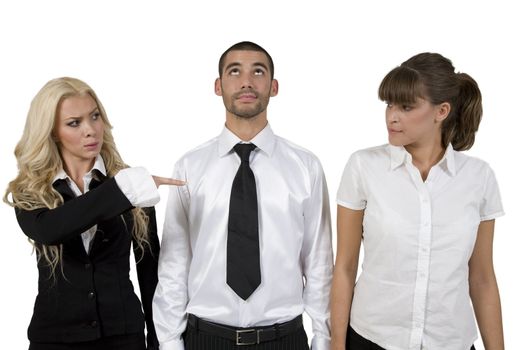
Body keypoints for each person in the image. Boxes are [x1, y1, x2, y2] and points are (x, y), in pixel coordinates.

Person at [152, 41, 333, 350]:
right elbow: (174, 263)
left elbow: (318, 261)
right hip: (205, 338)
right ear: (218, 85)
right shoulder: (189, 167)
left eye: (258, 72)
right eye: (234, 71)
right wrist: (169, 342)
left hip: (283, 339)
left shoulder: (306, 167)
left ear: (274, 87)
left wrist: (323, 338)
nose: (246, 82)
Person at [330, 52, 505, 350]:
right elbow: (345, 266)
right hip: (373, 339)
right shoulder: (363, 167)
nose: (391, 116)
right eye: (389, 104)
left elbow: (482, 278)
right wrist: (336, 344)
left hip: (451, 341)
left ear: (442, 111)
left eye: (406, 106)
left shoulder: (479, 177)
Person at [4, 77, 184, 350]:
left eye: (95, 116)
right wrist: (123, 189)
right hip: (55, 340)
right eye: (74, 123)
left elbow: (150, 275)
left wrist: (163, 342)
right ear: (52, 131)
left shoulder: (131, 184)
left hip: (124, 338)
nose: (90, 130)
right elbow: (50, 230)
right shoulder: (31, 190)